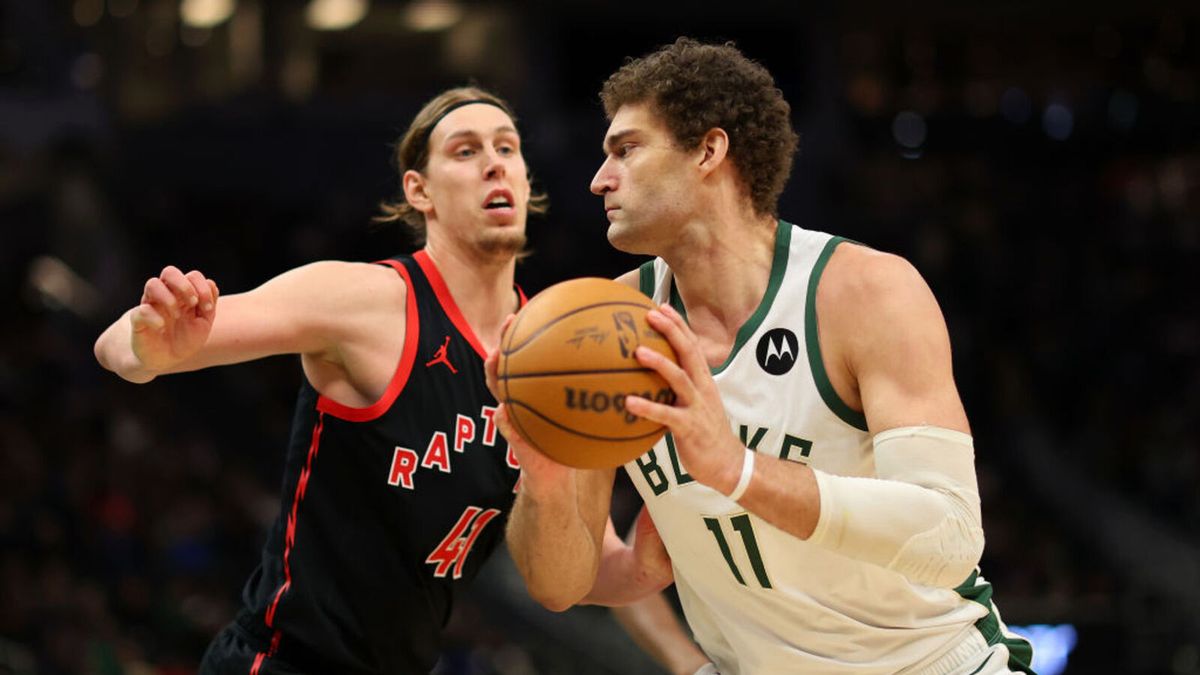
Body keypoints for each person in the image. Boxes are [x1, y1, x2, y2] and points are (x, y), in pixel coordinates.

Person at [95, 86, 709, 675]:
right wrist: (149, 344)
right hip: (284, 663)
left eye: (507, 148)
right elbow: (121, 347)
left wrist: (667, 539)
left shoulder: (561, 357)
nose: (494, 164)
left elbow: (583, 574)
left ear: (526, 182)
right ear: (420, 190)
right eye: (466, 151)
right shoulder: (368, 303)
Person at [490, 39, 1037, 674]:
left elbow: (950, 536)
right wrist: (547, 480)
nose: (598, 179)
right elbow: (559, 586)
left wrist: (737, 470)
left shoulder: (861, 292)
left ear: (708, 151)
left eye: (626, 149)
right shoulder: (602, 329)